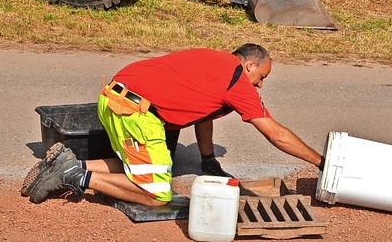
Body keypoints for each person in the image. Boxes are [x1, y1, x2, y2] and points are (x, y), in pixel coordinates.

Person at [22, 44, 325, 205]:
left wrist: (208, 161)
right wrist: (320, 162)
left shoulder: (214, 62)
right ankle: (75, 175)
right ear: (249, 65)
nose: (259, 86)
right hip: (136, 113)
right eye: (261, 77)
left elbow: (203, 117)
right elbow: (275, 133)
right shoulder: (237, 81)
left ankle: (71, 163)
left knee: (136, 167)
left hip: (114, 96)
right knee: (157, 195)